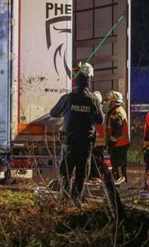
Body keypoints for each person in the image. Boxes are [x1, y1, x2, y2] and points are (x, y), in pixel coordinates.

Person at [50, 63, 104, 202]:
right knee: (81, 174)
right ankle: (76, 201)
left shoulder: (68, 98)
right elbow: (100, 120)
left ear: (76, 82)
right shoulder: (93, 100)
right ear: (88, 83)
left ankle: (64, 200)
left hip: (69, 143)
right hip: (85, 145)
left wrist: (68, 111)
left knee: (66, 173)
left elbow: (54, 113)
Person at [106, 91, 130, 184]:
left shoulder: (115, 113)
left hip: (118, 143)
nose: (108, 103)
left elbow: (118, 129)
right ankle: (123, 181)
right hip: (123, 143)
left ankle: (118, 182)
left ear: (113, 102)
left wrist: (111, 141)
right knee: (122, 164)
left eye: (110, 101)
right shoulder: (120, 109)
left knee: (116, 164)